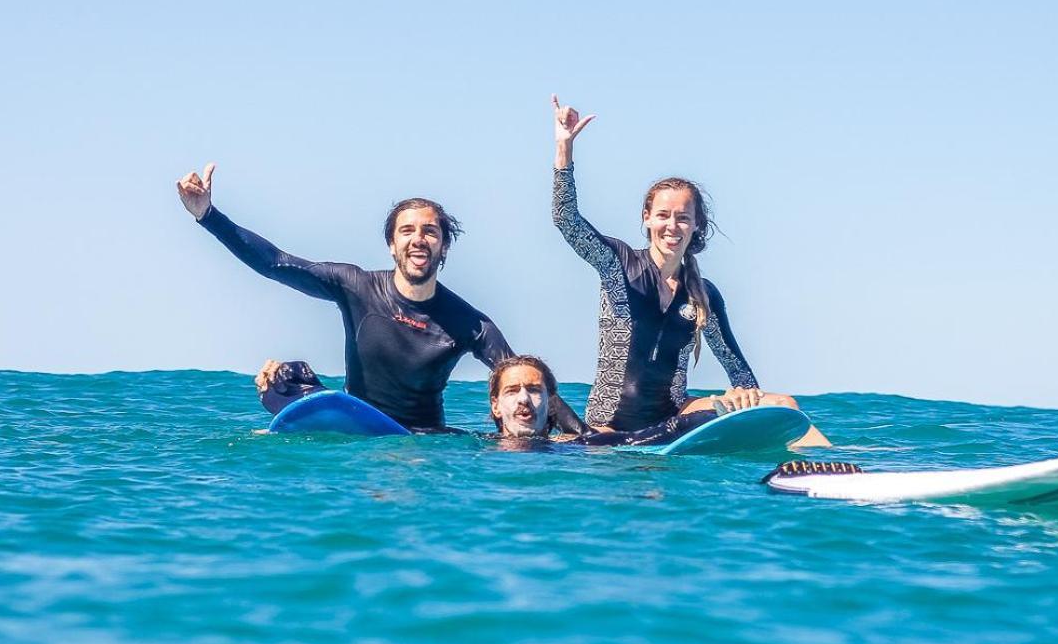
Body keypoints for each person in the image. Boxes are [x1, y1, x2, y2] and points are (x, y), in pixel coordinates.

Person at [178, 162, 581, 433]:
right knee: (284, 378)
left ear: (443, 248)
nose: (418, 240)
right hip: (359, 421)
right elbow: (275, 263)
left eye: (430, 232)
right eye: (407, 231)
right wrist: (207, 216)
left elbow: (523, 380)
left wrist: (581, 436)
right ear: (392, 245)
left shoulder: (469, 324)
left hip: (421, 437)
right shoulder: (355, 286)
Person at [549, 96, 829, 446]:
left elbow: (736, 367)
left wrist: (746, 397)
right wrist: (564, 149)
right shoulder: (619, 265)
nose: (672, 226)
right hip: (612, 429)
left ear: (696, 224)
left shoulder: (703, 295)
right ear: (646, 218)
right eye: (663, 216)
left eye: (683, 217)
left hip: (676, 421)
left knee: (783, 405)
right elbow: (567, 221)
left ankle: (839, 467)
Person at [487, 354, 724, 448]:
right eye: (511, 391)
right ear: (495, 406)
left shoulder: (577, 446)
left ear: (551, 404)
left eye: (534, 390)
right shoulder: (473, 447)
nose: (524, 399)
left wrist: (715, 415)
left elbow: (653, 434)